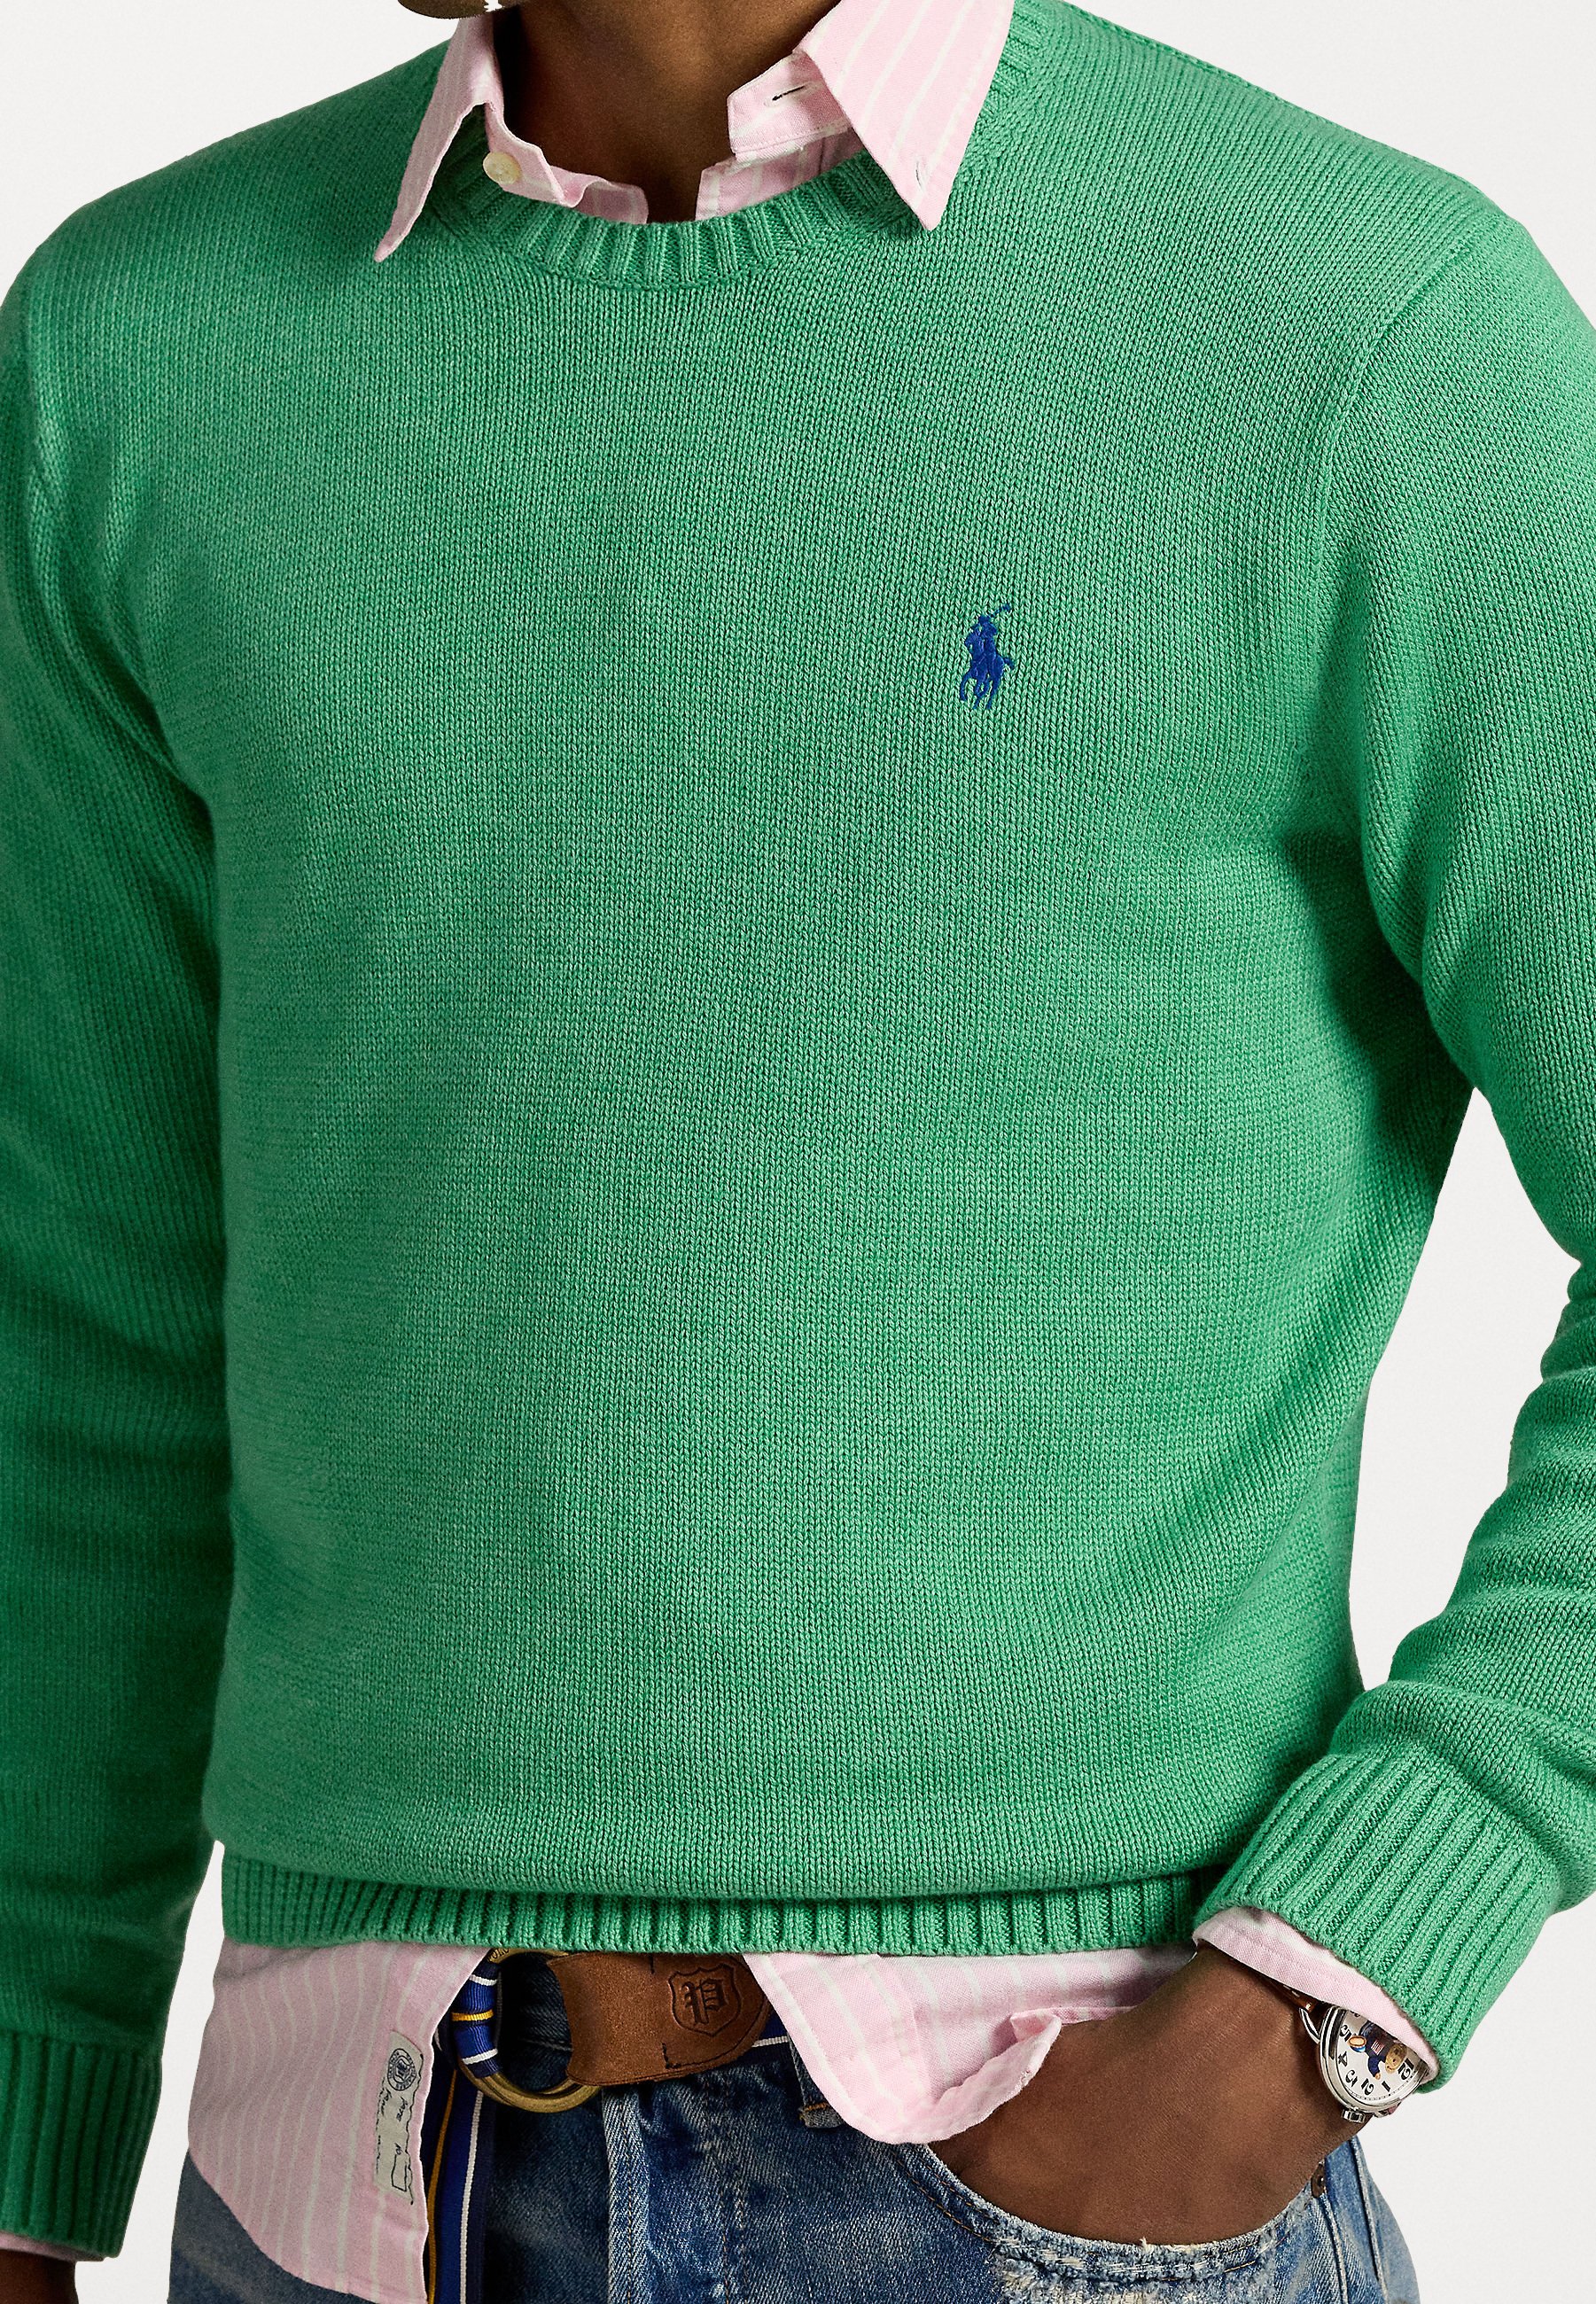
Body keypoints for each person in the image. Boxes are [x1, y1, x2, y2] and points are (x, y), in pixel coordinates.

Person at [2, 0, 1593, 2294]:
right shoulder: (140, 352)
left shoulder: (1356, 327)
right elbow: (89, 1324)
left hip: (1055, 2153)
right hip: (338, 2179)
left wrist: (1348, 1963)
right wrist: (24, 2113)